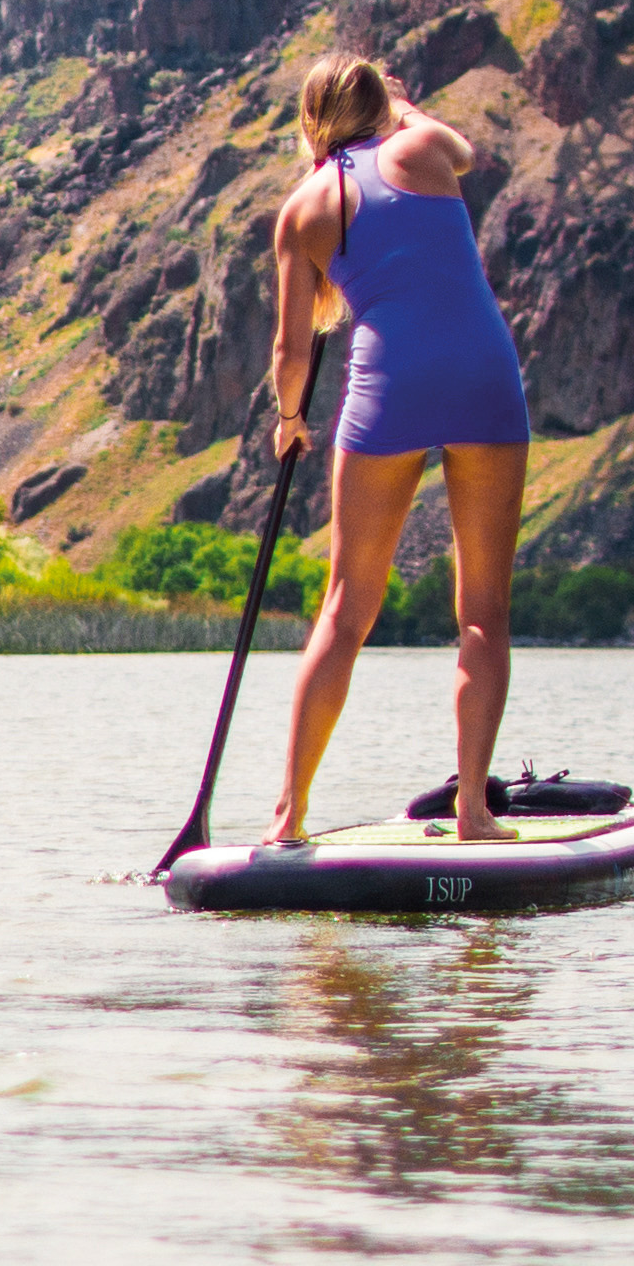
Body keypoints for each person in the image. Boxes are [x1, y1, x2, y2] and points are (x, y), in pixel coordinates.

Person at [260, 52, 531, 844]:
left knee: (346, 610)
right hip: (482, 372)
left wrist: (288, 420)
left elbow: (292, 352)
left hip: (389, 384)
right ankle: (474, 811)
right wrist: (407, 111)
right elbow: (466, 151)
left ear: (310, 119)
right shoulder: (419, 148)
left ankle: (288, 819)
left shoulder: (303, 207)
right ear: (382, 104)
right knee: (483, 614)